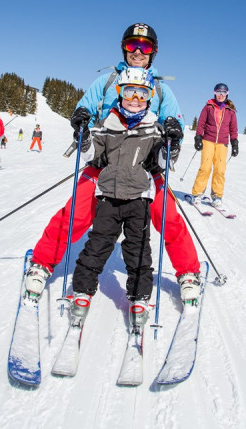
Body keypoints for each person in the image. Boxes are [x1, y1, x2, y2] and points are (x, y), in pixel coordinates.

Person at [23, 22, 202, 305]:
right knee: (77, 212)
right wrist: (80, 116)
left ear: (153, 52)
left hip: (145, 166)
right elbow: (84, 106)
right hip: (104, 160)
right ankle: (42, 262)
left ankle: (189, 273)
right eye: (132, 45)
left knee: (166, 215)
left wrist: (173, 131)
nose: (138, 52)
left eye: (145, 47)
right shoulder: (107, 81)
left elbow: (175, 121)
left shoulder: (161, 89)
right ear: (124, 48)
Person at [67, 67, 164, 325]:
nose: (135, 99)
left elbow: (163, 162)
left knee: (138, 249)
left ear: (149, 97)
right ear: (119, 92)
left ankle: (139, 296)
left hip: (138, 199)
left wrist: (172, 143)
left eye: (142, 94)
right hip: (108, 196)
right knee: (98, 245)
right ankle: (82, 290)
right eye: (130, 91)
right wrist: (83, 133)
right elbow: (90, 154)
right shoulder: (107, 124)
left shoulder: (153, 128)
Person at [188, 83, 238, 207]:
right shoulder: (208, 107)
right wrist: (198, 137)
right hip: (208, 140)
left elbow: (233, 129)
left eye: (223, 93)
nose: (220, 95)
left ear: (227, 94)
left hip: (222, 143)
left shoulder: (230, 111)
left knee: (220, 170)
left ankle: (217, 196)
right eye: (218, 92)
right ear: (214, 93)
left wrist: (235, 143)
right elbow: (201, 123)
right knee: (205, 167)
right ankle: (197, 194)